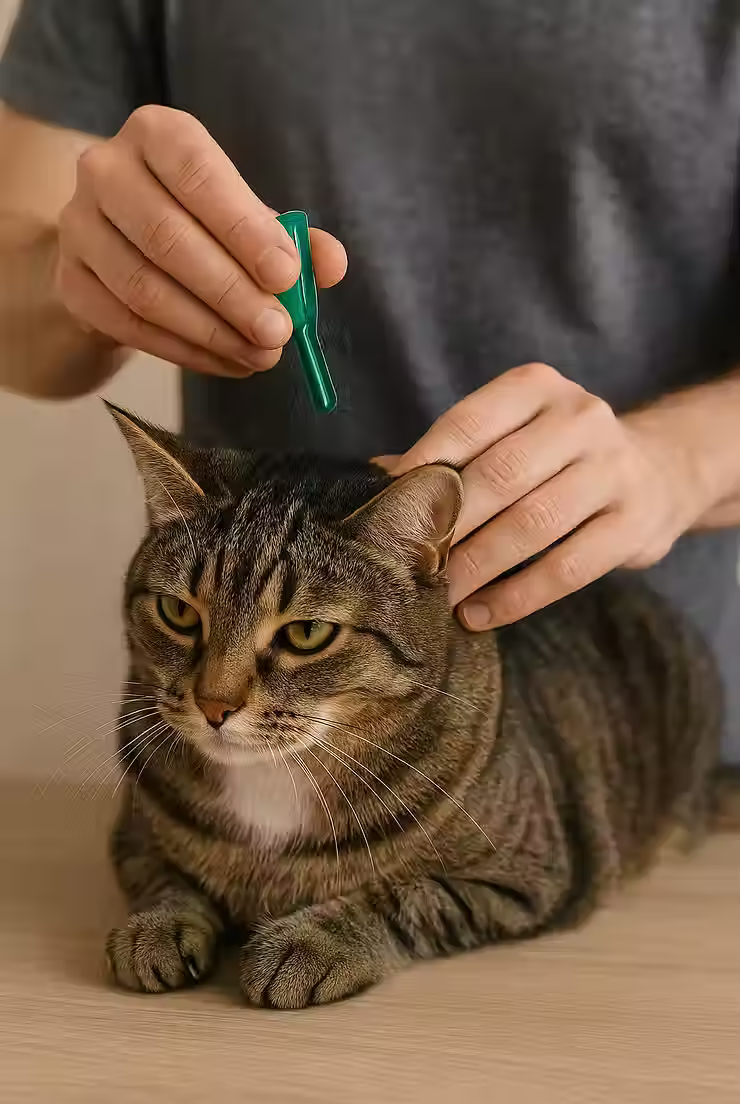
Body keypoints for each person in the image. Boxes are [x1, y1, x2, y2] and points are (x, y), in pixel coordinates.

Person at [1, 1, 739, 761]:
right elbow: (16, 327)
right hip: (250, 751)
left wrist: (677, 460)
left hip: (666, 745)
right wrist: (82, 276)